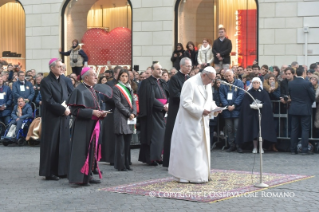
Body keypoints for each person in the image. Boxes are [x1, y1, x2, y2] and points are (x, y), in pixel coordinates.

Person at [168, 67, 219, 183]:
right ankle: (185, 175)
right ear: (204, 75)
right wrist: (201, 111)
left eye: (213, 80)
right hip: (189, 123)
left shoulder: (208, 84)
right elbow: (185, 102)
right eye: (211, 79)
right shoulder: (190, 83)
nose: (212, 82)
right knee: (189, 150)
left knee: (200, 150)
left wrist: (215, 108)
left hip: (202, 122)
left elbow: (209, 101)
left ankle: (200, 175)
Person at [67, 67, 110, 186]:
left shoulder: (92, 89)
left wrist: (101, 113)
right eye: (93, 75)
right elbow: (74, 110)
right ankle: (80, 178)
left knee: (91, 150)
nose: (96, 77)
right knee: (81, 151)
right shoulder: (79, 90)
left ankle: (88, 175)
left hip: (93, 125)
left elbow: (96, 106)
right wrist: (92, 113)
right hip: (82, 126)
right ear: (86, 77)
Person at [39, 58, 71, 181]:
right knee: (51, 145)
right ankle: (49, 172)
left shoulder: (63, 80)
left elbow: (67, 96)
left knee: (63, 144)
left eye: (62, 66)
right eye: (59, 67)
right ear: (52, 68)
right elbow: (48, 101)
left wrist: (68, 106)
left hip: (63, 116)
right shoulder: (46, 82)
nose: (62, 69)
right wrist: (62, 109)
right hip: (52, 117)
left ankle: (62, 170)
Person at [138, 63, 169, 166]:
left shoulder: (163, 82)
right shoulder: (147, 83)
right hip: (152, 113)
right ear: (152, 70)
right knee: (155, 136)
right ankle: (152, 158)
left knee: (162, 135)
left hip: (163, 112)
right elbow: (149, 98)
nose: (160, 71)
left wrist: (168, 104)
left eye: (161, 69)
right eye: (157, 69)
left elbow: (168, 95)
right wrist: (162, 106)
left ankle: (158, 156)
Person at [163, 58, 191, 167]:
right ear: (182, 66)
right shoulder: (174, 78)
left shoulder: (189, 78)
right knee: (173, 134)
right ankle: (169, 161)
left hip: (186, 110)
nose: (189, 68)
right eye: (187, 66)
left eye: (190, 66)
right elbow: (175, 94)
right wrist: (188, 100)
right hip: (176, 109)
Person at [236, 77, 277, 153]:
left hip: (262, 115)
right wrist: (251, 106)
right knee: (254, 132)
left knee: (261, 132)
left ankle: (261, 147)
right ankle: (255, 147)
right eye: (254, 83)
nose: (255, 84)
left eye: (257, 83)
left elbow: (267, 103)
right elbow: (245, 104)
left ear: (260, 84)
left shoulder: (264, 92)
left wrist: (262, 105)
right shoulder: (249, 93)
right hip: (252, 115)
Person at [113, 69, 137, 171]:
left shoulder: (129, 88)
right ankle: (120, 165)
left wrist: (134, 113)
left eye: (126, 76)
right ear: (119, 77)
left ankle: (127, 163)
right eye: (122, 76)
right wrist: (128, 114)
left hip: (130, 116)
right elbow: (118, 103)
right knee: (121, 143)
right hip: (121, 116)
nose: (124, 78)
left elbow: (134, 102)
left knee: (128, 143)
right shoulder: (116, 88)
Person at [289, 67, 315, 155]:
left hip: (294, 108)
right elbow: (312, 96)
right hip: (305, 108)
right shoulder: (307, 83)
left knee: (294, 129)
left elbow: (291, 95)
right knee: (305, 129)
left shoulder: (291, 83)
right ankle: (304, 149)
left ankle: (293, 149)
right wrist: (309, 103)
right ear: (303, 73)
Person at [219, 69, 245, 153]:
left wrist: (234, 105)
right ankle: (231, 145)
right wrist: (227, 105)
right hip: (227, 110)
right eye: (226, 76)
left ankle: (238, 145)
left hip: (236, 109)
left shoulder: (239, 83)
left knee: (237, 128)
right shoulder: (223, 84)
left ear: (233, 75)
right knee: (229, 128)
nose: (228, 77)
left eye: (229, 75)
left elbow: (241, 95)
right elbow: (221, 95)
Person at [100, 66, 120, 165]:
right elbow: (107, 97)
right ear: (115, 74)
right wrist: (120, 101)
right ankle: (111, 157)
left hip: (122, 113)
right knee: (111, 137)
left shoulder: (124, 84)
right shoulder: (109, 84)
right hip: (112, 112)